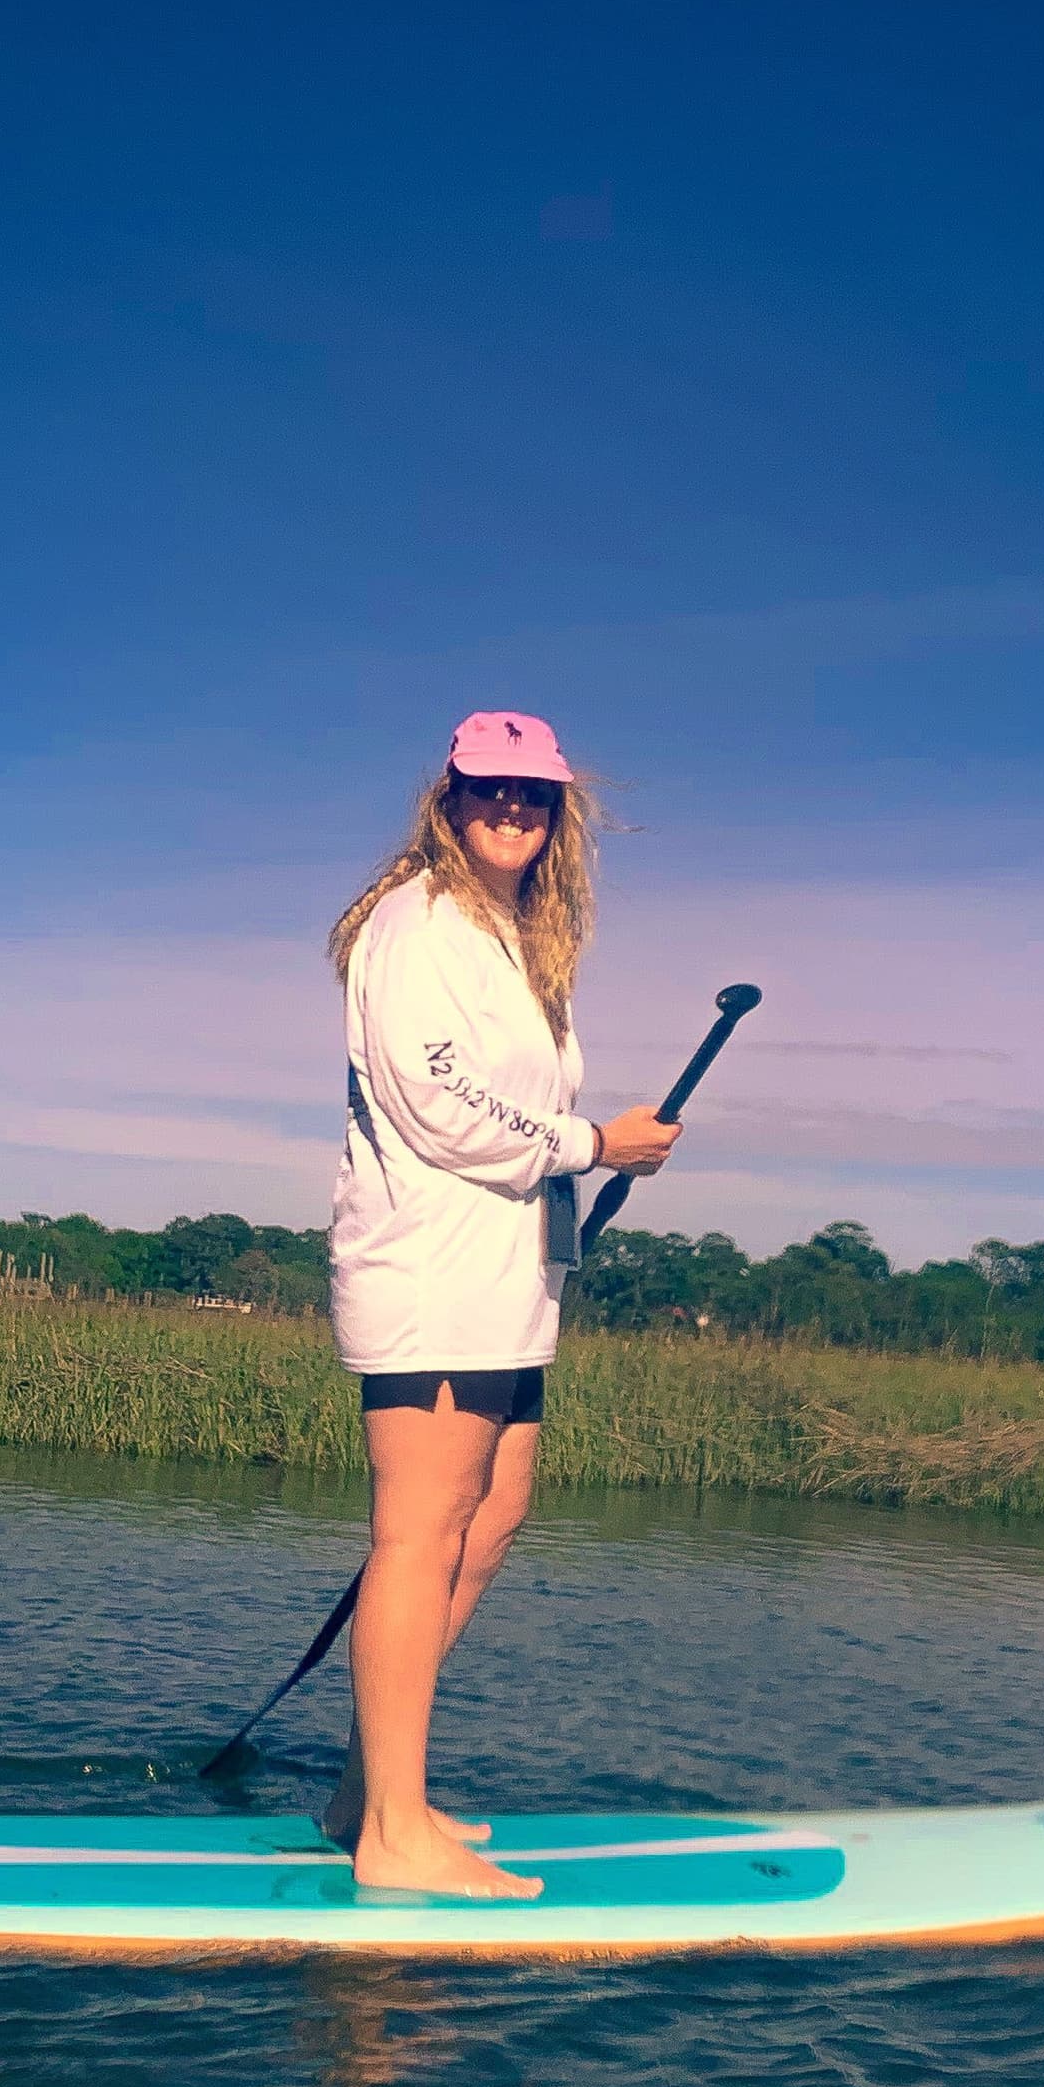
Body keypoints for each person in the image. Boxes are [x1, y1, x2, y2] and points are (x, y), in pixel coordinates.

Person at [320, 711, 679, 1898]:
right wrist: (588, 1142)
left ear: (558, 809)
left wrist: (589, 1152)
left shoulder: (518, 943)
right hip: (431, 1275)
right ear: (450, 797)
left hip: (509, 1274)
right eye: (490, 791)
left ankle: (369, 1789)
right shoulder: (416, 921)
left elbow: (501, 1097)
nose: (511, 812)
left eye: (534, 795)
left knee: (496, 1510)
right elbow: (433, 1096)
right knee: (417, 1535)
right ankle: (393, 1839)